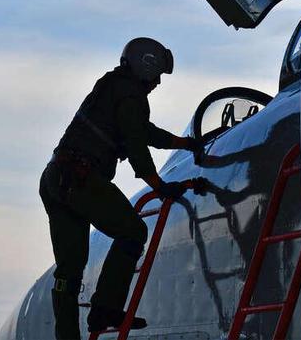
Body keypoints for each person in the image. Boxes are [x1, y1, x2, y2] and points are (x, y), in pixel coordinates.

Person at [39, 37, 207, 339]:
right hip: (82, 179)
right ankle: (106, 308)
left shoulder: (112, 87)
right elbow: (136, 143)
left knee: (69, 271)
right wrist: (159, 185)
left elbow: (143, 131)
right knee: (133, 232)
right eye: (156, 75)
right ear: (146, 67)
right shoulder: (130, 96)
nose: (157, 82)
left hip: (56, 178)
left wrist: (183, 143)